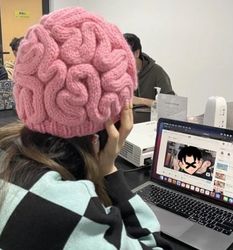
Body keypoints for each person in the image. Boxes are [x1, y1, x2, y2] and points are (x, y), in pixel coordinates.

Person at [0, 7, 173, 250]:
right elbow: (153, 244)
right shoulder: (72, 212)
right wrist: (110, 170)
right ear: (112, 127)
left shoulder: (10, 162)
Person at [124, 33, 175, 107]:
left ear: (137, 53)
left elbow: (171, 106)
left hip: (149, 118)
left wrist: (140, 101)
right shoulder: (116, 74)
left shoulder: (157, 72)